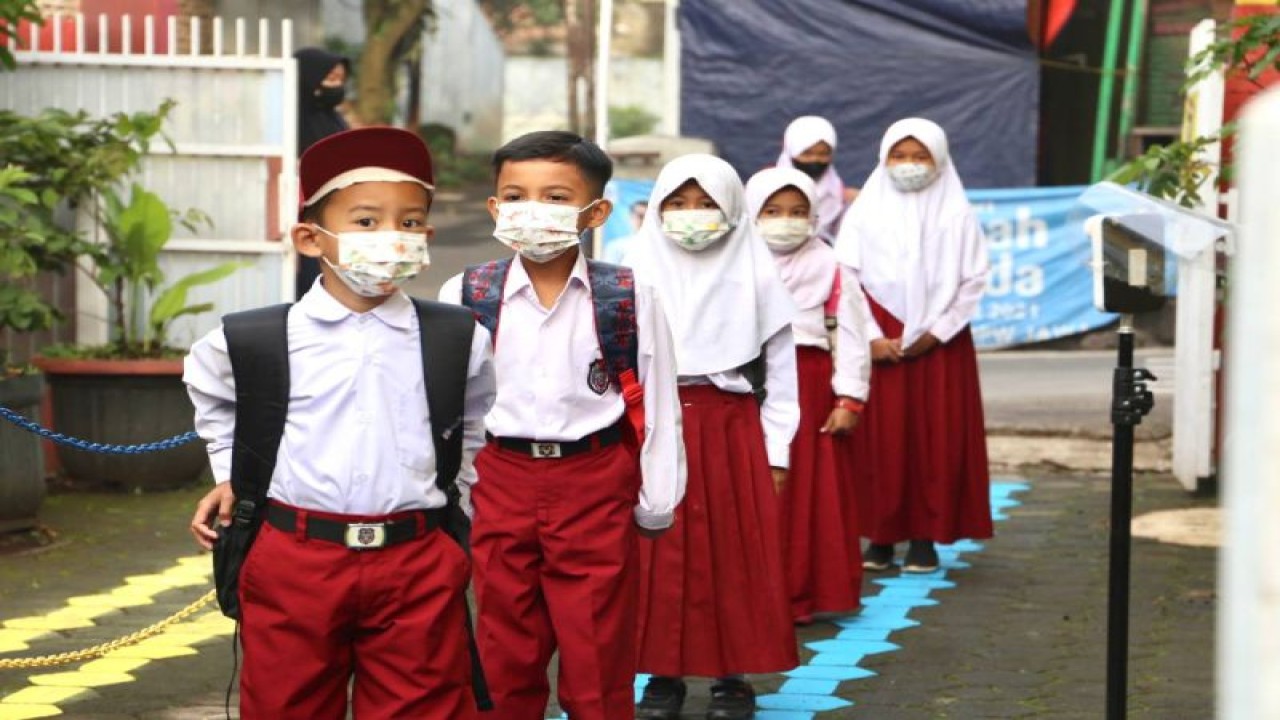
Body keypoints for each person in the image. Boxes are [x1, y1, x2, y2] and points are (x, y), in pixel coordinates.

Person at [185, 126, 497, 719]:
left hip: (416, 559)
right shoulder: (253, 338)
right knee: (286, 705)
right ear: (310, 238)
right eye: (366, 221)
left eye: (409, 224)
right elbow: (213, 397)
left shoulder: (457, 337)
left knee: (424, 706)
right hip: (295, 558)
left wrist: (455, 499)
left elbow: (473, 416)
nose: (391, 238)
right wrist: (233, 474)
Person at [437, 130, 686, 720]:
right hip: (499, 478)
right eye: (516, 195)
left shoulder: (626, 295)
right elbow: (446, 402)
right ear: (495, 207)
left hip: (594, 478)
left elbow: (658, 398)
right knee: (504, 641)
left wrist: (657, 497)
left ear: (595, 211)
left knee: (597, 640)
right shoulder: (468, 292)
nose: (534, 211)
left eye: (555, 197)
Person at [628, 154, 800, 720]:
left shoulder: (756, 273)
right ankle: (661, 674)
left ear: (731, 209)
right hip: (651, 426)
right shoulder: (629, 272)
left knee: (733, 549)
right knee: (658, 552)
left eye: (706, 203)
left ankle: (734, 674)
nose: (691, 216)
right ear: (656, 209)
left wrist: (776, 449)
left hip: (730, 428)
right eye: (676, 203)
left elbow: (780, 373)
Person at [833, 117, 992, 574]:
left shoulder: (957, 213)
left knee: (934, 438)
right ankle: (879, 537)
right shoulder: (864, 212)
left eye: (919, 156)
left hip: (939, 345)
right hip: (879, 338)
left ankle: (926, 537)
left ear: (939, 159)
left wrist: (936, 332)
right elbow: (846, 277)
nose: (909, 165)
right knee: (878, 440)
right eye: (899, 156)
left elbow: (973, 279)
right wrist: (870, 337)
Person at [745, 166, 870, 623]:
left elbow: (852, 337)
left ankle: (800, 595)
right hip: (748, 386)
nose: (786, 220)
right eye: (773, 210)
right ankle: (750, 596)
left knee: (805, 495)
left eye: (798, 211)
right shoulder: (736, 264)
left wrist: (849, 399)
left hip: (810, 387)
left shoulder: (831, 268)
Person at [293, 47, 352, 300]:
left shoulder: (333, 118)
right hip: (303, 214)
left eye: (340, 80)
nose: (336, 87)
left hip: (339, 211)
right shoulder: (290, 118)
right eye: (330, 79)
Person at [775, 116, 858, 244]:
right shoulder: (763, 191)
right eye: (807, 154)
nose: (815, 160)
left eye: (823, 154)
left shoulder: (841, 197)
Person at [602, 199, 648, 264]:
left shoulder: (660, 246)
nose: (645, 221)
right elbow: (608, 272)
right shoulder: (616, 247)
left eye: (648, 217)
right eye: (641, 216)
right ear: (631, 217)